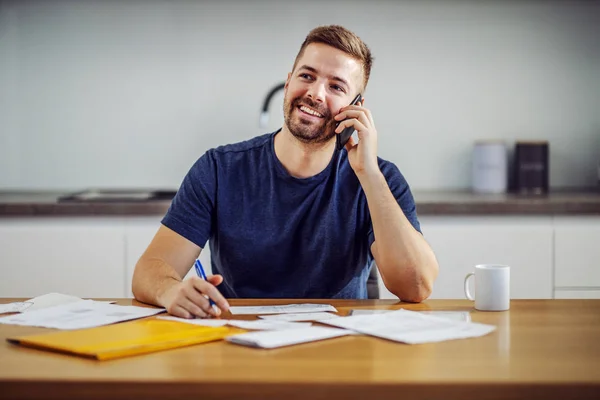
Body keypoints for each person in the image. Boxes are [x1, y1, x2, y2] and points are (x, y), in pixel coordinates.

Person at [132, 25, 439, 319]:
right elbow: (150, 270)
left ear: (356, 106)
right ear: (289, 81)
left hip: (343, 352)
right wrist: (171, 291)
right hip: (240, 345)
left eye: (336, 86)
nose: (316, 93)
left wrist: (368, 175)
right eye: (307, 76)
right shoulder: (217, 169)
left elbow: (415, 288)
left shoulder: (380, 178)